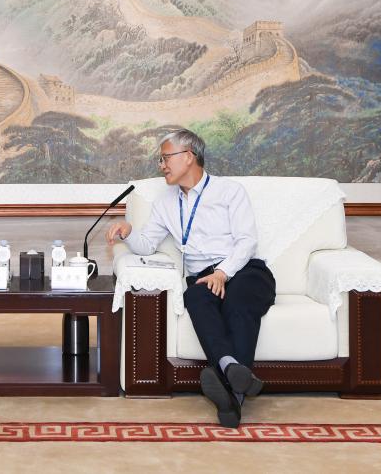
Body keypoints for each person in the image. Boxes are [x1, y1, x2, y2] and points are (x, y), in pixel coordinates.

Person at [106, 128, 275, 428]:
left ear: (188, 156)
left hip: (245, 270)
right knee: (194, 297)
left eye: (165, 158)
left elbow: (247, 241)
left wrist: (223, 272)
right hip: (202, 278)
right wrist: (128, 232)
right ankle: (233, 375)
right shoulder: (165, 203)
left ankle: (228, 387)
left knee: (237, 303)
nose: (162, 165)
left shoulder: (229, 191)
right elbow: (147, 244)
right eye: (160, 160)